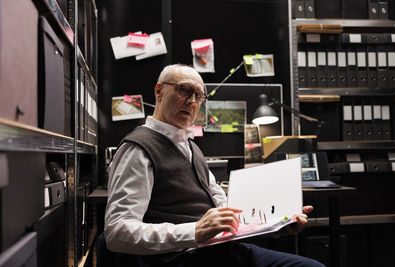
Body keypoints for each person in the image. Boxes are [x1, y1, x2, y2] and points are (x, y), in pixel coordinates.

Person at [104, 64, 325, 267]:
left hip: (220, 249)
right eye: (184, 90)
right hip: (184, 257)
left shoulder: (190, 146)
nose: (192, 101)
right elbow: (116, 232)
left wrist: (278, 223)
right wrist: (195, 231)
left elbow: (229, 211)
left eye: (199, 95)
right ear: (159, 91)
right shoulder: (138, 148)